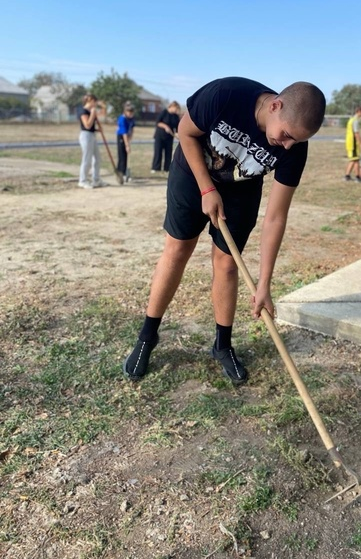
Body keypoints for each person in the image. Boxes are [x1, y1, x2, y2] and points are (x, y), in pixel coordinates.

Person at [123, 76, 326, 384]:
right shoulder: (225, 95)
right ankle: (147, 336)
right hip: (193, 174)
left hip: (240, 189)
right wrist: (206, 189)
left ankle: (222, 345)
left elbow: (275, 217)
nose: (287, 145)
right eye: (285, 135)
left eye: (295, 141)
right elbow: (186, 133)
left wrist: (264, 285)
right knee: (178, 249)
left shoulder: (294, 148)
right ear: (275, 106)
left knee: (228, 263)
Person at [78, 93, 107, 189]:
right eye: (94, 102)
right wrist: (93, 113)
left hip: (92, 135)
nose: (95, 104)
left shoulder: (90, 111)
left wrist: (98, 129)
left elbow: (93, 126)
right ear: (90, 101)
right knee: (87, 159)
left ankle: (96, 179)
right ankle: (82, 180)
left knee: (97, 158)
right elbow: (87, 125)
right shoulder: (83, 111)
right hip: (86, 136)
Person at [152, 101, 181, 173]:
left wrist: (177, 134)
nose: (176, 110)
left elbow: (177, 127)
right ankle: (155, 168)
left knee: (168, 153)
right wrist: (165, 126)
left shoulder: (176, 116)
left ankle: (167, 168)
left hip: (169, 137)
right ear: (172, 106)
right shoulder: (164, 112)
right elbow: (158, 122)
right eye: (175, 108)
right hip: (160, 136)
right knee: (158, 152)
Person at [344, 106, 361, 182]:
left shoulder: (351, 120)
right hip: (353, 144)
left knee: (353, 160)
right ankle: (358, 177)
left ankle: (347, 176)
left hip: (350, 143)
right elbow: (356, 134)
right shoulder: (355, 121)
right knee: (356, 160)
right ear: (359, 111)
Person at [116, 102, 136, 183]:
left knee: (126, 156)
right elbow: (124, 133)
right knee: (122, 156)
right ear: (125, 111)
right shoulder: (122, 119)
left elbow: (132, 129)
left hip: (127, 136)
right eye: (129, 112)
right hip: (121, 137)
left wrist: (130, 139)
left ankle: (126, 173)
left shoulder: (131, 118)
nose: (130, 113)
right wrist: (127, 145)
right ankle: (121, 173)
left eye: (131, 112)